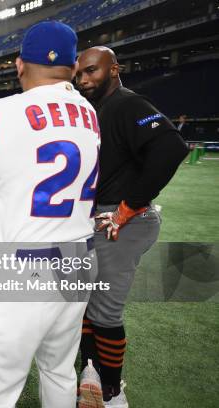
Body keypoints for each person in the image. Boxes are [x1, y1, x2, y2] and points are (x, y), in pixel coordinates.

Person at [0, 21, 100, 407]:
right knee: (59, 371)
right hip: (79, 261)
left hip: (19, 268)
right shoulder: (91, 112)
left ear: (19, 65)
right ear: (74, 65)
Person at [75, 46, 188, 408]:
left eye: (92, 71)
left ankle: (111, 391)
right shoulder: (99, 108)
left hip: (121, 222)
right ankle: (90, 370)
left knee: (104, 310)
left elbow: (171, 148)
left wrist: (129, 206)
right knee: (87, 305)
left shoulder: (127, 103)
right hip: (103, 220)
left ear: (114, 69)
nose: (84, 79)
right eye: (79, 74)